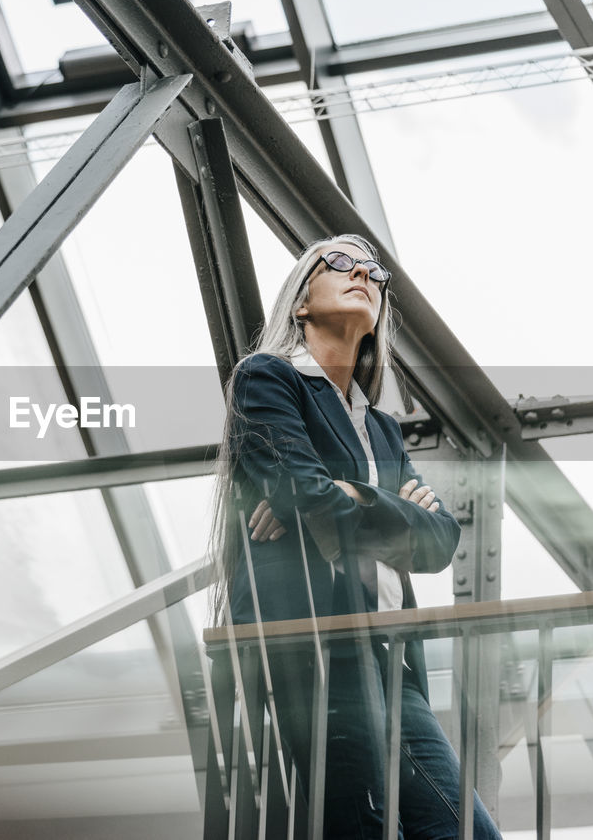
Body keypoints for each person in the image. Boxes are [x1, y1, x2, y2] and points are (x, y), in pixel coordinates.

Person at [206, 234, 501, 839]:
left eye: (373, 269)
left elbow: (441, 540)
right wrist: (382, 508)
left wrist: (355, 496)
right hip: (318, 653)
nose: (362, 272)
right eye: (340, 262)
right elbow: (299, 491)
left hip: (391, 662)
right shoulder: (268, 378)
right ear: (300, 302)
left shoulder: (384, 430)